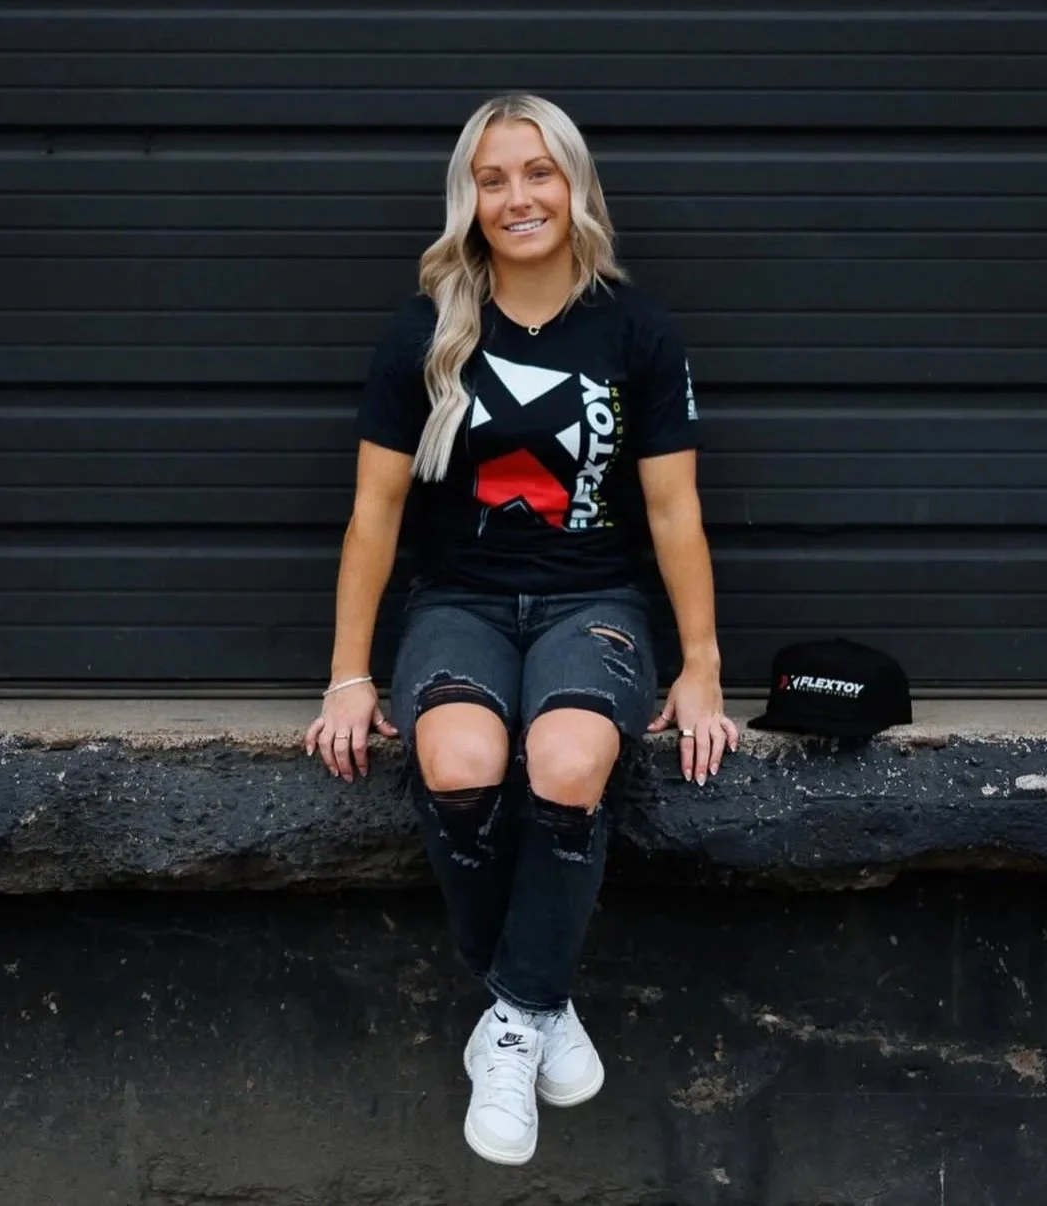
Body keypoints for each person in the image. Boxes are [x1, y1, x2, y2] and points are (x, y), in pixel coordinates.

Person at [304, 93, 739, 1166]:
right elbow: (376, 515)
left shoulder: (635, 332)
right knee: (456, 759)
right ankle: (538, 1002)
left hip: (594, 603)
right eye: (493, 179)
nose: (518, 196)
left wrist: (703, 671)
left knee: (569, 754)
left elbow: (675, 512)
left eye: (537, 172)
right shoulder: (424, 334)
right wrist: (348, 678)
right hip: (458, 603)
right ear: (470, 201)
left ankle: (508, 1019)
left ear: (576, 185)